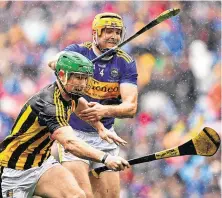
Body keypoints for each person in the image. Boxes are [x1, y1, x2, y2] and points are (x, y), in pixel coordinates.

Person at [0, 51, 130, 198]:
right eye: (78, 78)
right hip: (13, 172)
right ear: (62, 75)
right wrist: (106, 158)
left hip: (42, 165)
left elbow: (82, 107)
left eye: (85, 78)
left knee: (77, 196)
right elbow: (70, 143)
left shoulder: (70, 93)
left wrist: (100, 129)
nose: (82, 84)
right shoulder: (49, 105)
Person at [48, 12, 138, 198]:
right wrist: (74, 64)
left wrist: (104, 110)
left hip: (105, 137)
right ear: (95, 33)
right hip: (74, 134)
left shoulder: (125, 63)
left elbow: (130, 107)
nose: (114, 36)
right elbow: (53, 63)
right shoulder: (79, 52)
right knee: (84, 195)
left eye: (117, 32)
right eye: (108, 31)